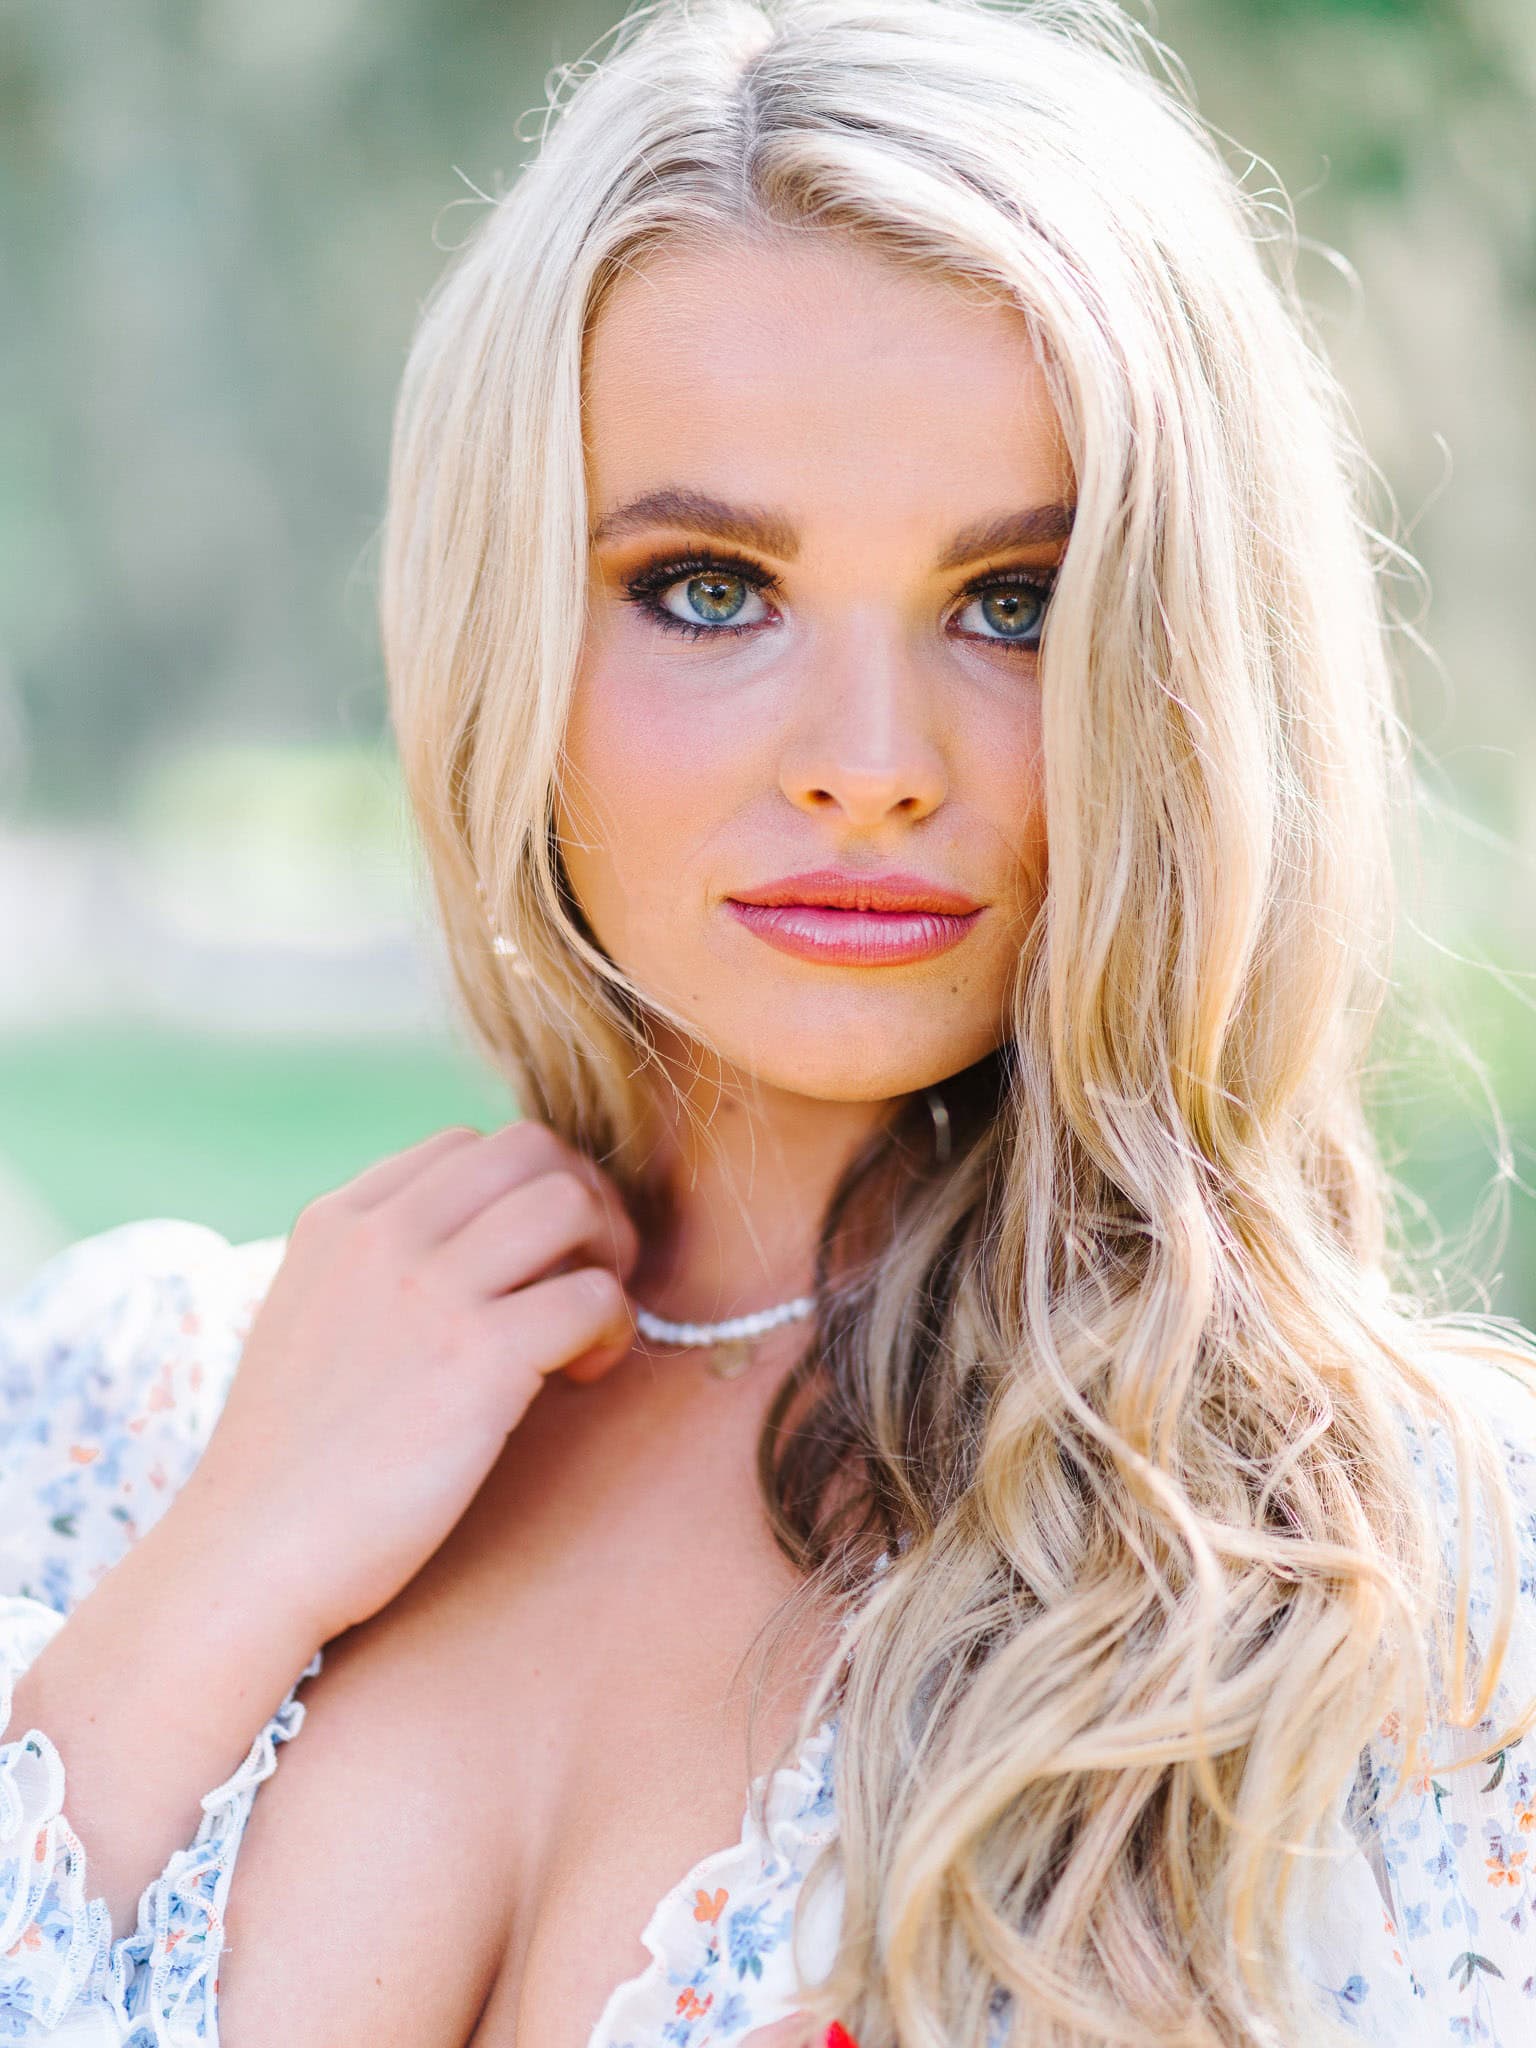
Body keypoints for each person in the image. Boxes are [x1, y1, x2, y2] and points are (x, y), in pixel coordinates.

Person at [2, 0, 1534, 2041]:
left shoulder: (1403, 1576)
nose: (870, 765)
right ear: (504, 624)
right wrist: (222, 1569)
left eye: (1017, 604)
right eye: (711, 587)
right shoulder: (133, 1412)